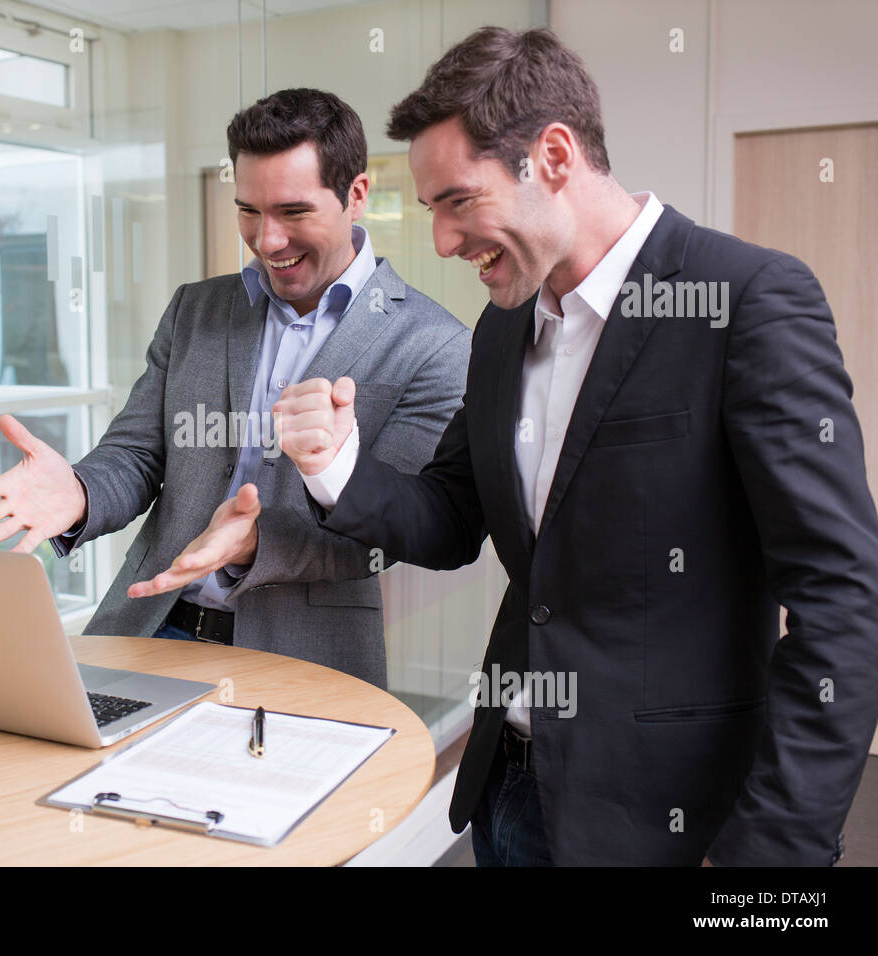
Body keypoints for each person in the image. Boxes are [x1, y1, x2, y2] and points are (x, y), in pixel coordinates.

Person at [264, 28, 878, 864]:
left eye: (457, 201)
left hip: (674, 821)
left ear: (552, 156)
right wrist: (335, 463)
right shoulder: (504, 326)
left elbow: (844, 605)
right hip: (509, 793)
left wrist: (770, 860)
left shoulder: (747, 300)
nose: (442, 241)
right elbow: (450, 516)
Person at [0, 88, 471, 688]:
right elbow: (137, 454)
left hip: (304, 660)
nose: (267, 239)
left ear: (356, 195)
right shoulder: (196, 309)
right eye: (248, 210)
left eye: (293, 211)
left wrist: (255, 542)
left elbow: (383, 537)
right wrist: (79, 490)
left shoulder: (434, 344)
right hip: (151, 629)